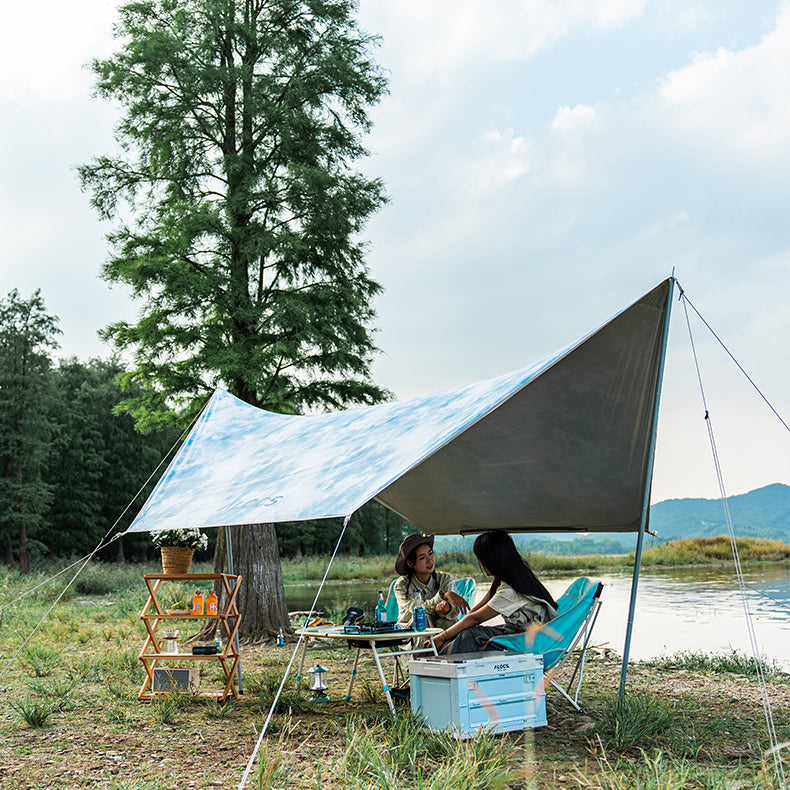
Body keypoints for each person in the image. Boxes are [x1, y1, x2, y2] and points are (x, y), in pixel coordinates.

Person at [430, 530, 558, 655]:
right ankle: (440, 660)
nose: (479, 562)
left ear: (492, 559)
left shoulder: (510, 590)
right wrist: (449, 637)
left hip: (531, 641)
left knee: (470, 635)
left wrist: (441, 637)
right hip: (521, 635)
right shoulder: (512, 578)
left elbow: (476, 619)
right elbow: (474, 612)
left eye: (481, 558)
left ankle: (440, 665)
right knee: (467, 631)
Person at [393, 534, 471, 631]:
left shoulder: (445, 578)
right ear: (410, 563)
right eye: (422, 558)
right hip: (411, 633)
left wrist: (447, 609)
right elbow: (417, 609)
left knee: (448, 621)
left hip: (439, 630)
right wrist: (443, 596)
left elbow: (451, 610)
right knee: (423, 617)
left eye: (430, 554)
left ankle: (449, 645)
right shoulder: (402, 585)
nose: (430, 560)